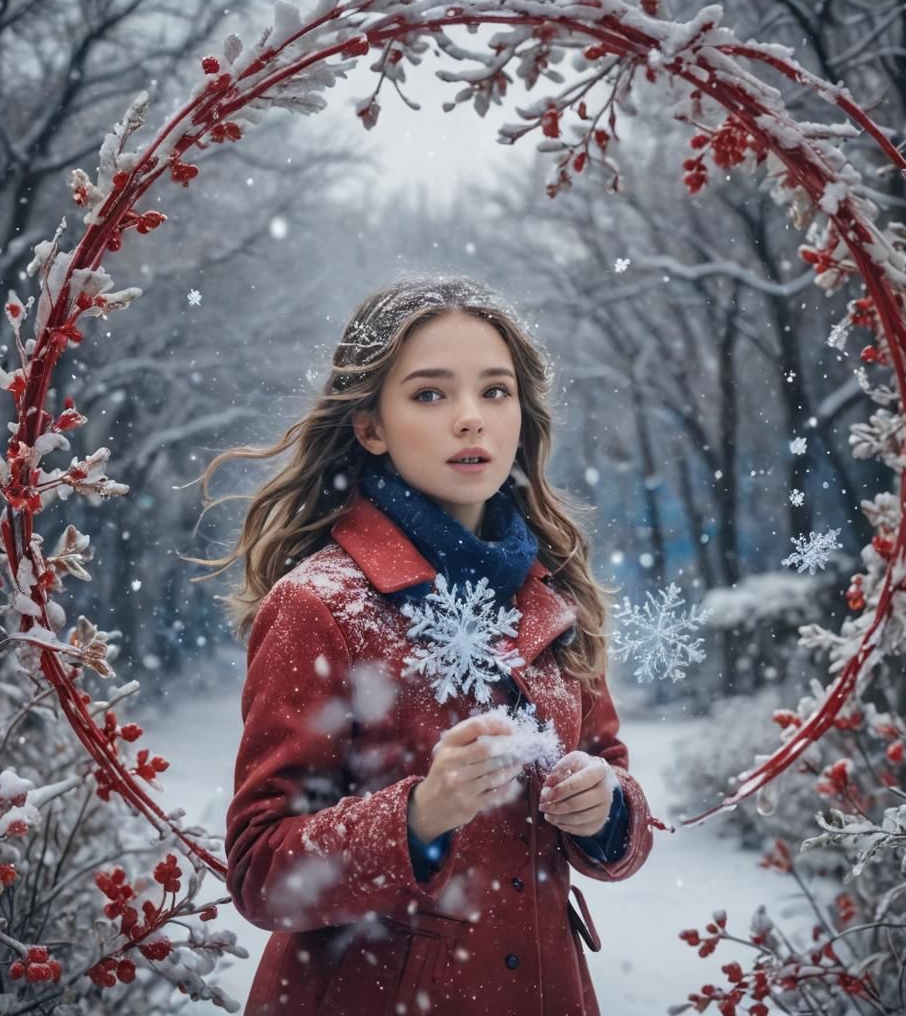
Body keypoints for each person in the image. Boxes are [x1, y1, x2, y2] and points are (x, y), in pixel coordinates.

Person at [203, 274, 655, 1015]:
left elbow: (614, 790)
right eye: (430, 394)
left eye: (495, 391)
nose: (471, 419)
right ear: (369, 425)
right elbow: (261, 872)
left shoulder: (554, 594)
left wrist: (607, 809)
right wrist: (418, 817)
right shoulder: (321, 604)